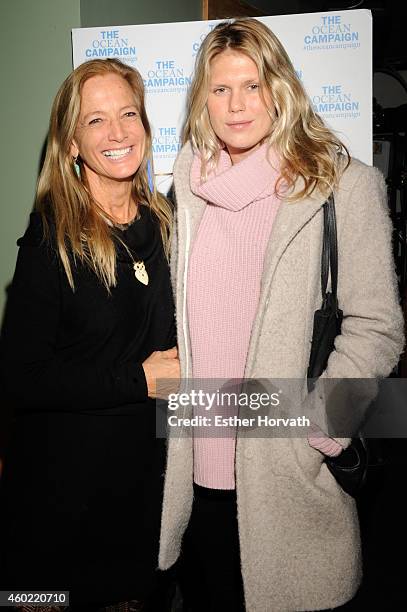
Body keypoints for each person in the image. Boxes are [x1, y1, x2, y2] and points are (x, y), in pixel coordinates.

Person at [158, 18, 405, 612]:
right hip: (192, 477)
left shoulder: (342, 185)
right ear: (203, 99)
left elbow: (377, 324)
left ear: (281, 88)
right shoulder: (186, 189)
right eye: (220, 89)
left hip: (288, 477)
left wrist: (320, 426)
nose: (237, 105)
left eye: (253, 84)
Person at [0, 58, 179, 611]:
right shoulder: (50, 242)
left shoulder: (169, 224)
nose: (118, 132)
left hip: (147, 495)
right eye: (95, 120)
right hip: (64, 507)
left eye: (128, 114)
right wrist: (136, 380)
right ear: (71, 142)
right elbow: (20, 380)